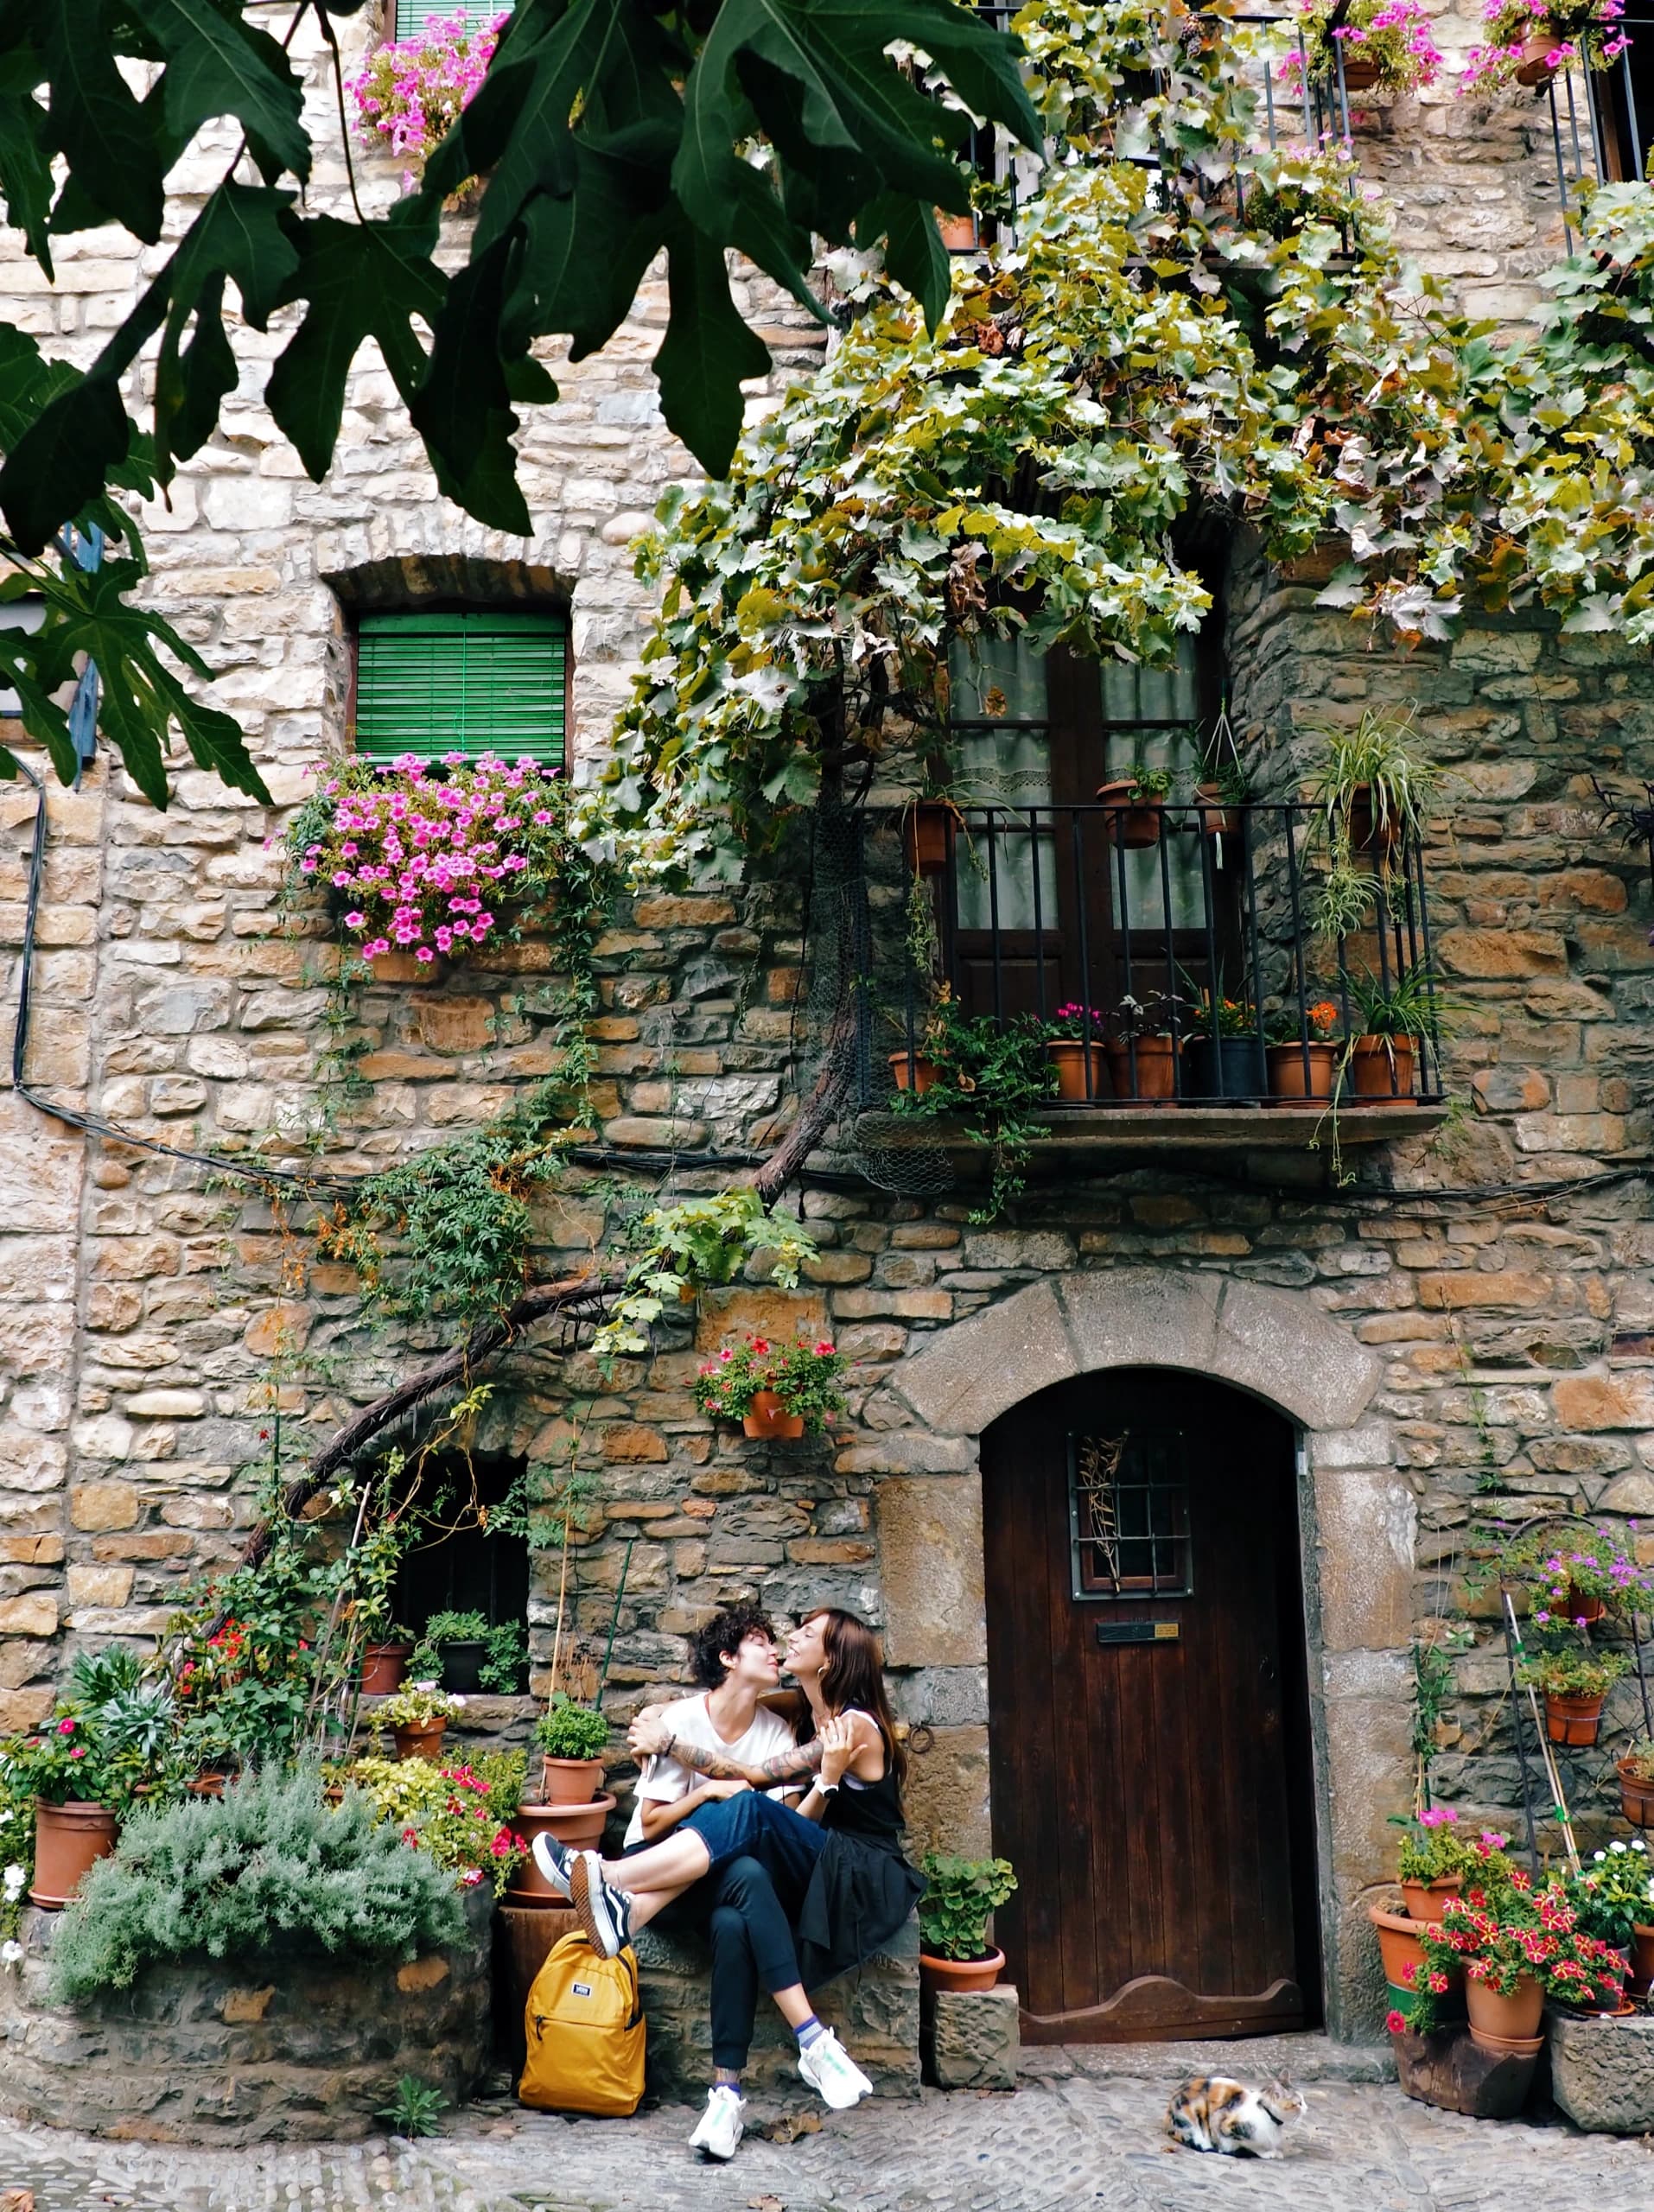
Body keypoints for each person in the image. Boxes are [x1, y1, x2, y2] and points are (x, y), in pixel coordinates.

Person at [535, 1609, 924, 2160]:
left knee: (748, 1807)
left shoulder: (854, 1725)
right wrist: (656, 1718)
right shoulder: (804, 1710)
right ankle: (735, 2091)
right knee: (733, 1908)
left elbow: (756, 1779)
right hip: (819, 1863)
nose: (791, 1638)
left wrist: (671, 1744)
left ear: (833, 1660)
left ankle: (612, 1879)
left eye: (807, 1635)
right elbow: (725, 1703)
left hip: (859, 1877)